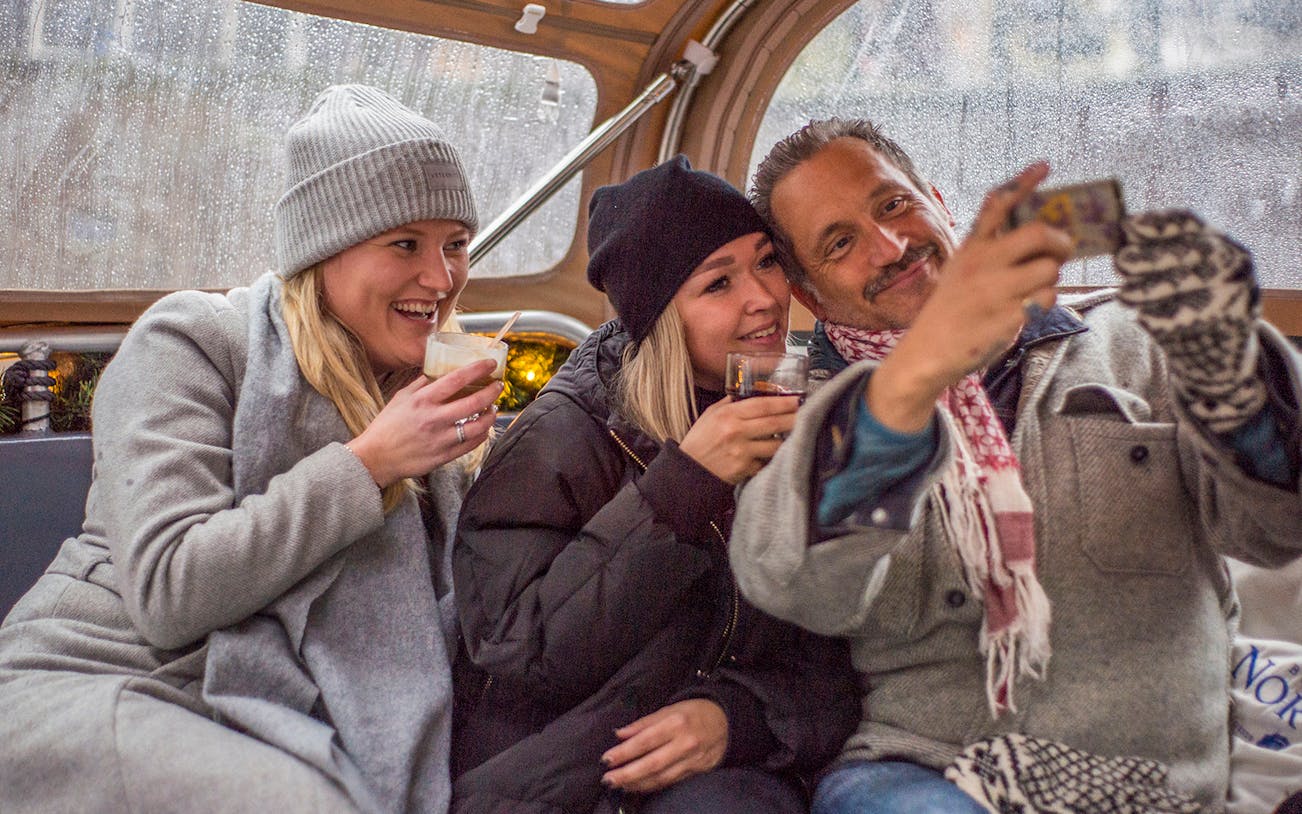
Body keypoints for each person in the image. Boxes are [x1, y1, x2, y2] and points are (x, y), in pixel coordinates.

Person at [728, 117, 1302, 813]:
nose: (889, 246)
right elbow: (789, 581)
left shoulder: (1135, 339)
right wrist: (913, 378)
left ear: (940, 203)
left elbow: (1276, 528)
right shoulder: (809, 413)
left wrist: (1235, 379)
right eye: (840, 243)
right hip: (924, 770)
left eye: (894, 204)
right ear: (810, 295)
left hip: (1150, 780)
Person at [0, 84, 498, 813]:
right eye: (405, 243)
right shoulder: (192, 341)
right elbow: (169, 591)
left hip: (291, 699)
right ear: (324, 248)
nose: (442, 277)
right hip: (112, 679)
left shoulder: (421, 386)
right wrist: (370, 464)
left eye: (455, 243)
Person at [449, 156, 859, 814]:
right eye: (718, 283)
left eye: (766, 261)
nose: (763, 297)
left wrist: (736, 718)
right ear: (663, 315)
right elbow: (517, 654)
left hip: (724, 769)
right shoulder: (561, 438)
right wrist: (680, 491)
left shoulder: (809, 413)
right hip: (558, 772)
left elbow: (841, 651)